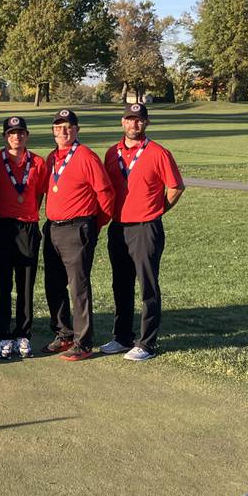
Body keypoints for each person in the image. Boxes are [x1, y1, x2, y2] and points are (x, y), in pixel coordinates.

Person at [100, 103, 185, 361]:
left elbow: (176, 187)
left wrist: (157, 210)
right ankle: (122, 337)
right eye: (129, 119)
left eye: (138, 120)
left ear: (146, 123)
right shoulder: (111, 153)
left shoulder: (158, 152)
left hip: (146, 227)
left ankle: (146, 343)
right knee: (121, 284)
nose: (133, 125)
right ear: (122, 122)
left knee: (148, 286)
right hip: (118, 227)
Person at [42, 109, 114, 361]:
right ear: (53, 131)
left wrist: (96, 224)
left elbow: (105, 194)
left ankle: (83, 342)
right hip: (53, 228)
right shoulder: (52, 158)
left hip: (77, 227)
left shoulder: (86, 156)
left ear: (77, 130)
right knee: (53, 283)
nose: (64, 131)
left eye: (69, 127)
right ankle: (64, 334)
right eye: (59, 127)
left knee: (78, 286)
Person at [0, 116, 48, 360]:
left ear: (27, 135)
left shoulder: (38, 162)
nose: (16, 137)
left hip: (28, 227)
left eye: (21, 132)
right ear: (5, 137)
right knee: (2, 285)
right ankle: (3, 336)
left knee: (25, 285)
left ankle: (23, 334)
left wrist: (27, 214)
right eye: (11, 133)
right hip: (1, 227)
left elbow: (39, 194)